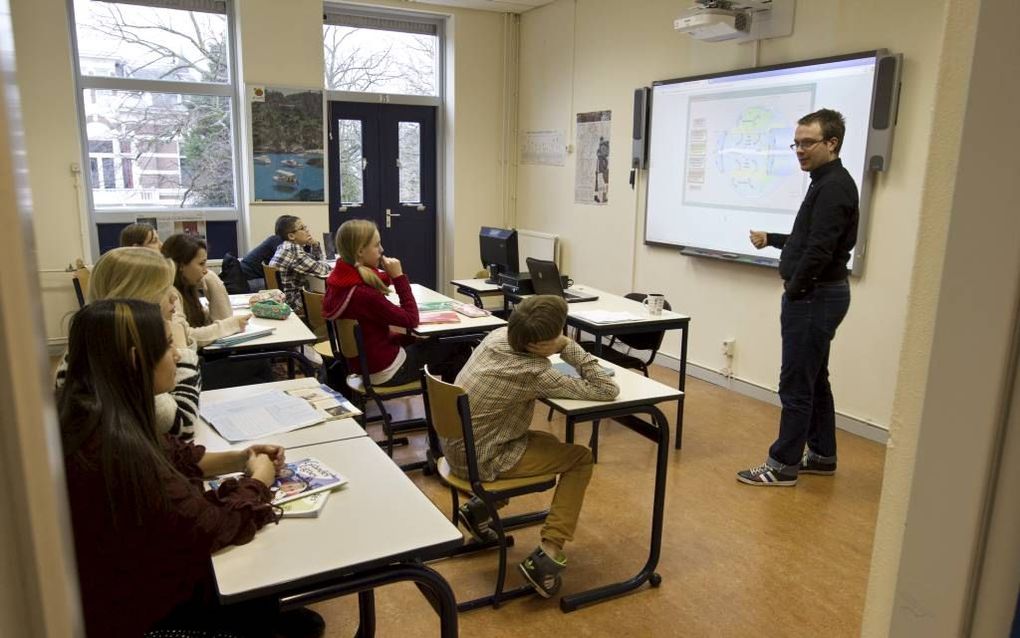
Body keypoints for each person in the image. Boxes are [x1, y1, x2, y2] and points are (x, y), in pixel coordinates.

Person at [58, 299, 324, 637]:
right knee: (298, 622)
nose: (177, 355)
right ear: (138, 360)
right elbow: (216, 525)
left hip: (117, 592)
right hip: (145, 614)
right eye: (169, 346)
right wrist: (259, 479)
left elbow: (173, 454)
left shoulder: (94, 411)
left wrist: (241, 458)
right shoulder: (118, 450)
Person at [440, 295, 619, 598]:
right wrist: (567, 346)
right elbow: (606, 388)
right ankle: (548, 554)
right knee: (580, 458)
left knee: (548, 442)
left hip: (458, 447)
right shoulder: (534, 371)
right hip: (482, 460)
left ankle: (480, 509)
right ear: (544, 341)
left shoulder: (496, 337)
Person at [738, 108, 858, 486]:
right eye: (797, 143)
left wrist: (795, 289)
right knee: (813, 379)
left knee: (795, 384)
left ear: (831, 143)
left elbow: (820, 250)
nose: (800, 151)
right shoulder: (823, 181)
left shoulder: (834, 185)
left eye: (808, 143)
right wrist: (773, 240)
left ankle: (782, 465)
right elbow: (811, 239)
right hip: (818, 296)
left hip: (815, 298)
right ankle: (822, 455)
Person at [54, 247, 200, 440]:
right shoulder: (118, 361)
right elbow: (184, 426)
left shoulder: (92, 340)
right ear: (141, 298)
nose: (174, 297)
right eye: (165, 290)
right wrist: (181, 347)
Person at [322, 219, 468, 386]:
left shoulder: (338, 282)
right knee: (457, 344)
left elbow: (378, 282)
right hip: (386, 371)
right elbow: (411, 319)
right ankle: (452, 406)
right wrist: (399, 277)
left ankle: (445, 400)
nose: (382, 250)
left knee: (428, 342)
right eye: (377, 245)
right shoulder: (364, 294)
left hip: (364, 365)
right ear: (360, 251)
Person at [162, 233, 249, 348]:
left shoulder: (187, 288)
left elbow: (222, 318)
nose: (205, 270)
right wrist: (231, 325)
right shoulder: (171, 293)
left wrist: (212, 279)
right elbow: (185, 336)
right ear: (181, 265)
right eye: (201, 264)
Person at [269, 215, 330, 317]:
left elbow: (313, 260)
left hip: (280, 298)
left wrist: (315, 245)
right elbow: (323, 270)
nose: (307, 230)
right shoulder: (293, 251)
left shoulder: (285, 246)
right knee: (326, 297)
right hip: (290, 303)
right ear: (291, 236)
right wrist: (328, 265)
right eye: (302, 228)